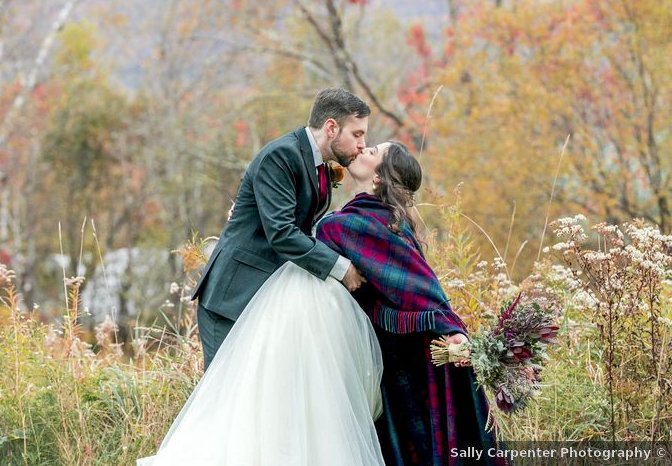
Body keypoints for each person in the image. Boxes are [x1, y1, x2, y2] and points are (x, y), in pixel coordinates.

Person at [316, 141, 505, 466]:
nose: (361, 150)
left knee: (415, 443)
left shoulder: (363, 225)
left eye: (371, 152)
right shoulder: (370, 219)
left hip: (410, 354)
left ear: (378, 179)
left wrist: (451, 328)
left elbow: (421, 286)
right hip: (386, 352)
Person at [190, 87, 369, 369]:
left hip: (267, 299)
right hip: (233, 297)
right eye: (357, 134)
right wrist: (341, 268)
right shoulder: (283, 155)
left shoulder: (319, 164)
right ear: (331, 128)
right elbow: (283, 233)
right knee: (224, 399)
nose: (361, 144)